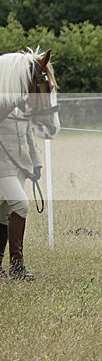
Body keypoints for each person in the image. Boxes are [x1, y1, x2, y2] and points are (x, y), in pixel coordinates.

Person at [0, 107, 42, 280]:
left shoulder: (24, 105)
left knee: (3, 214)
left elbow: (29, 136)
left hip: (20, 167)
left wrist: (36, 162)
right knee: (20, 204)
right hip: (3, 167)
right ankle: (17, 266)